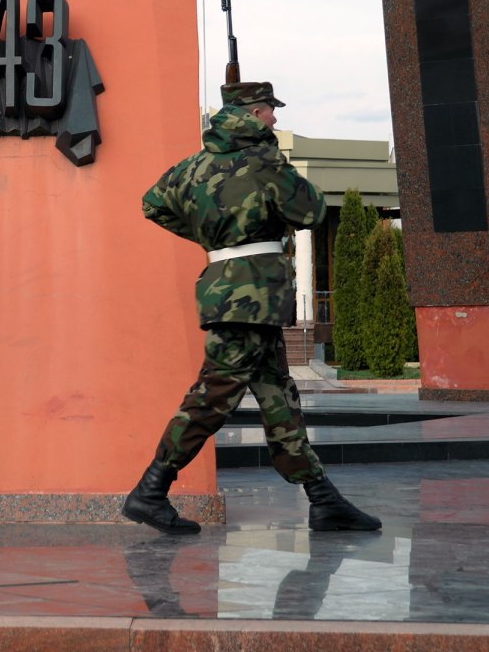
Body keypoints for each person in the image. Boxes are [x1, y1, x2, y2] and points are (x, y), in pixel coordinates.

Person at [123, 81, 381, 535]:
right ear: (256, 113)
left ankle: (323, 499)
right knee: (215, 394)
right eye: (271, 113)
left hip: (232, 292)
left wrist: (212, 236)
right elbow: (312, 212)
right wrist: (270, 186)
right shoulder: (264, 161)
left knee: (278, 395)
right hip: (252, 295)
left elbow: (153, 204)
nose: (275, 120)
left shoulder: (193, 166)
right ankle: (150, 490)